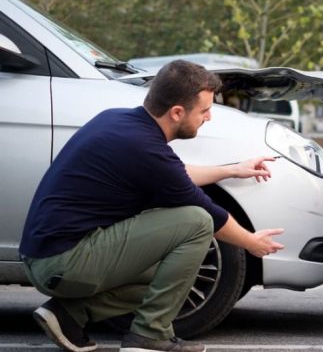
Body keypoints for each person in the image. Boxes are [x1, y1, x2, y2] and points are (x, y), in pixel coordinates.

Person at [19, 60, 285, 352]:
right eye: (204, 110)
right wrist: (251, 242)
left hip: (48, 257)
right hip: (65, 262)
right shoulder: (144, 148)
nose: (209, 117)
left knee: (173, 273)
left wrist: (233, 169)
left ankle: (69, 315)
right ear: (177, 113)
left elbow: (175, 172)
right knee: (196, 221)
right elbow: (209, 212)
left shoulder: (119, 121)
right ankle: (149, 336)